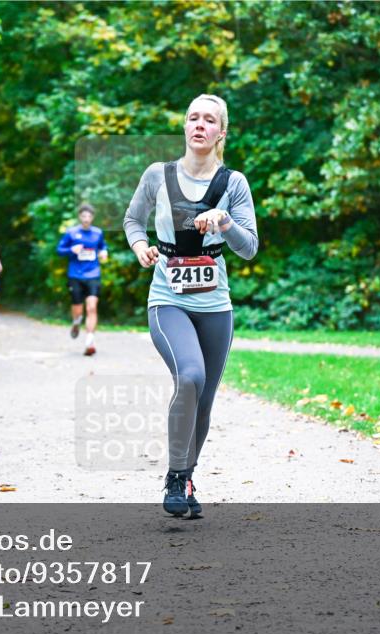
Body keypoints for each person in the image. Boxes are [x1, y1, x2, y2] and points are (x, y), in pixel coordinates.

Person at [123, 94, 258, 518]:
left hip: (216, 305)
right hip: (168, 299)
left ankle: (185, 477)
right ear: (185, 127)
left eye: (210, 120)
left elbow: (250, 248)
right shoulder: (157, 175)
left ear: (221, 132)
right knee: (191, 375)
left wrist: (225, 221)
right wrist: (140, 244)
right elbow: (132, 219)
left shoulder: (233, 183)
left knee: (204, 398)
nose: (200, 125)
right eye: (193, 118)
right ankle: (176, 477)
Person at [57, 203, 108, 356]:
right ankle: (76, 322)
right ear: (80, 217)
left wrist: (104, 252)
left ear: (92, 217)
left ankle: (89, 341)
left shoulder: (98, 233)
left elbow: (103, 246)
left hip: (93, 274)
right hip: (75, 275)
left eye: (89, 216)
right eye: (83, 216)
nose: (86, 219)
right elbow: (59, 250)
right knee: (78, 311)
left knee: (92, 307)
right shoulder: (71, 233)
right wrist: (71, 250)